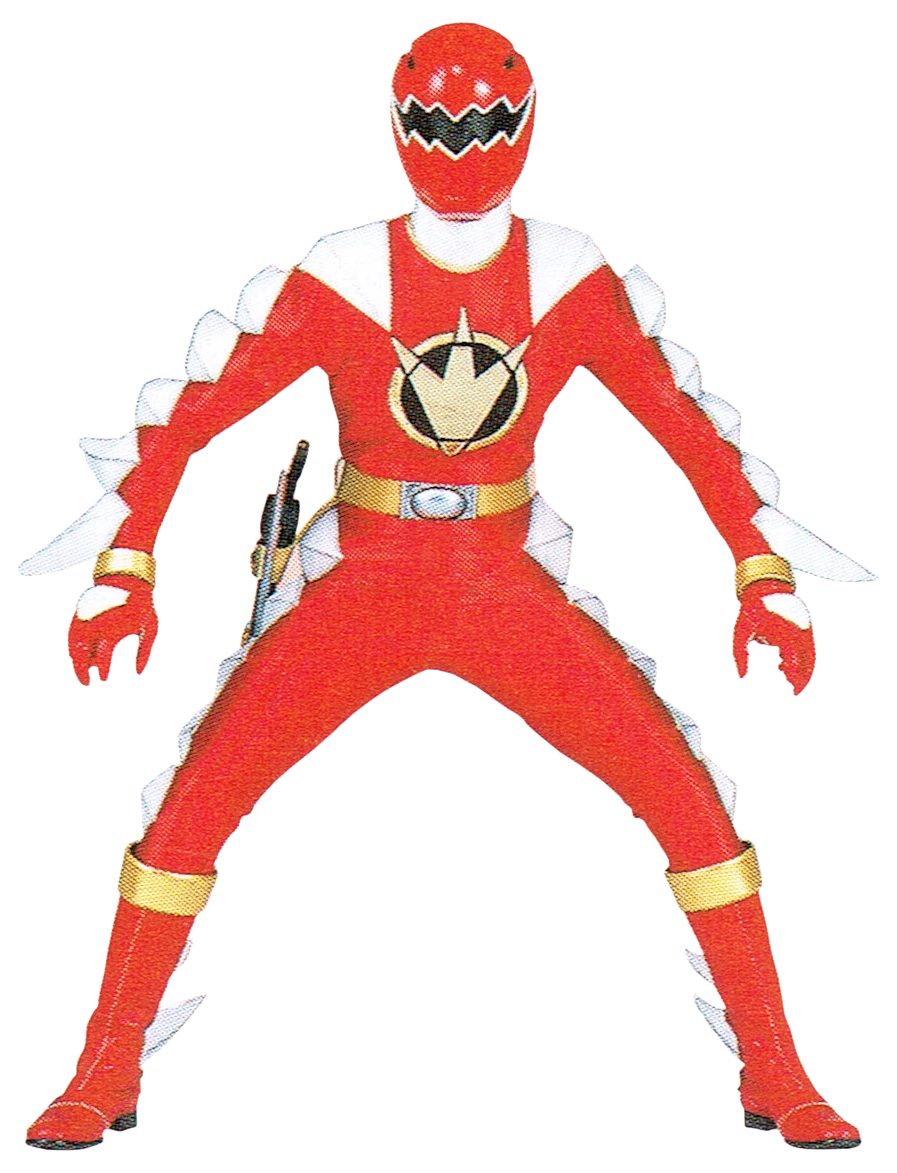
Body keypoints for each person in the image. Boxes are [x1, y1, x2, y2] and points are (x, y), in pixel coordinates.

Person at [21, 20, 872, 1153]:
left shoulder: (568, 275)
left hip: (502, 586)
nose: (460, 153)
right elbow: (191, 413)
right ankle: (103, 1066)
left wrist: (760, 571)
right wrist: (126, 561)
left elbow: (685, 426)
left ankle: (776, 1067)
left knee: (687, 801)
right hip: (361, 582)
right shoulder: (342, 275)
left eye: (483, 128)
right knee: (192, 805)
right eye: (435, 127)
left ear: (527, 127)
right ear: (395, 128)